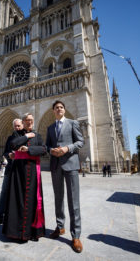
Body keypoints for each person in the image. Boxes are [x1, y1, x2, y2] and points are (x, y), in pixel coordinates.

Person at [46, 100, 84, 253]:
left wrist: (67, 148)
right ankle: (60, 227)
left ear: (64, 110)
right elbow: (47, 145)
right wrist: (51, 151)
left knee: (73, 200)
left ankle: (75, 235)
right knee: (58, 198)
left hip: (71, 164)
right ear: (53, 111)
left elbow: (81, 141)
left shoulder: (73, 123)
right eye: (56, 108)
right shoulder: (49, 128)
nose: (59, 109)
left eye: (61, 107)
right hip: (56, 166)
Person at [3, 113, 46, 242]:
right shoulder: (17, 134)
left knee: (33, 200)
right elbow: (13, 144)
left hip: (33, 170)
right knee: (17, 200)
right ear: (23, 121)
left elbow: (44, 149)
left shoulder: (37, 135)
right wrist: (26, 136)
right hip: (18, 171)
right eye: (27, 120)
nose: (29, 122)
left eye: (31, 120)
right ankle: (17, 233)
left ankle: (32, 232)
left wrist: (29, 149)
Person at [0, 119, 23, 225]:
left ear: (22, 125)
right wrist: (9, 155)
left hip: (22, 170)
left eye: (19, 126)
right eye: (15, 126)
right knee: (4, 192)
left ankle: (18, 217)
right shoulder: (10, 138)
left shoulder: (27, 136)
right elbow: (5, 152)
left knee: (19, 194)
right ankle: (0, 215)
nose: (17, 128)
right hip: (10, 168)